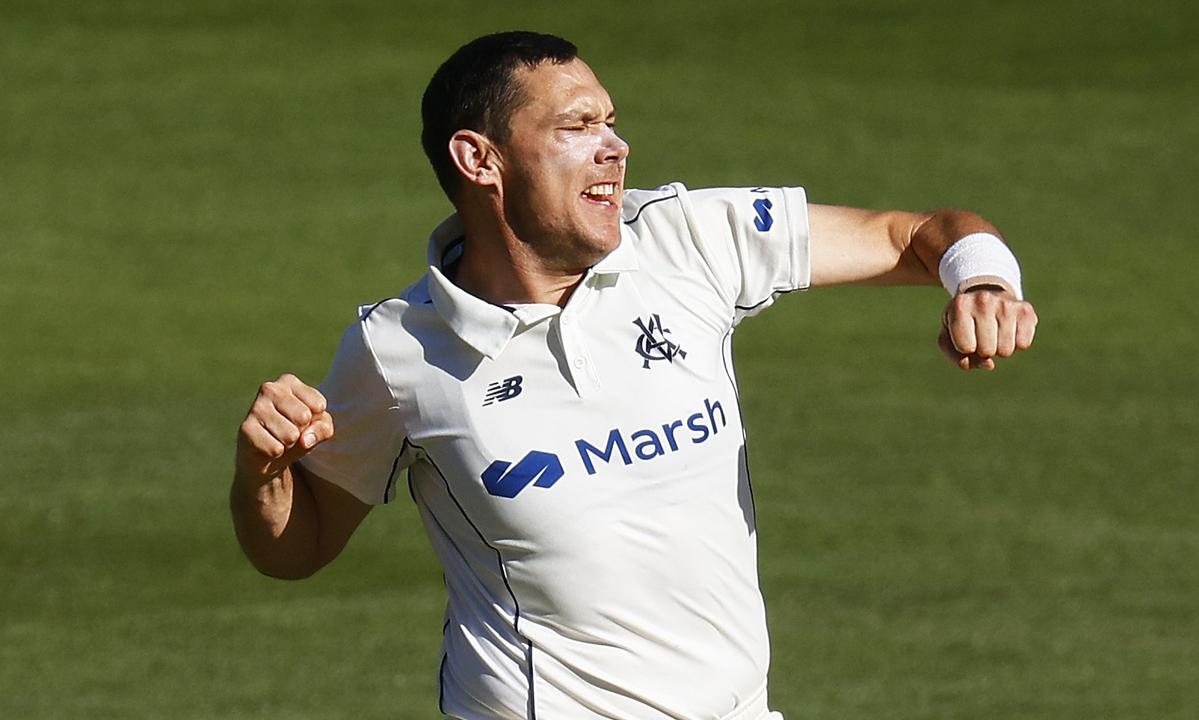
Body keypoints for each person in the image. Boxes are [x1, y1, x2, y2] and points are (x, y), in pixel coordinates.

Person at [231, 30, 1037, 720]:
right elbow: (295, 550)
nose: (615, 146)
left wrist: (984, 281)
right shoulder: (397, 350)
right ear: (480, 158)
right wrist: (263, 474)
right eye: (578, 126)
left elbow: (925, 232)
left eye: (611, 122)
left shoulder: (688, 240)